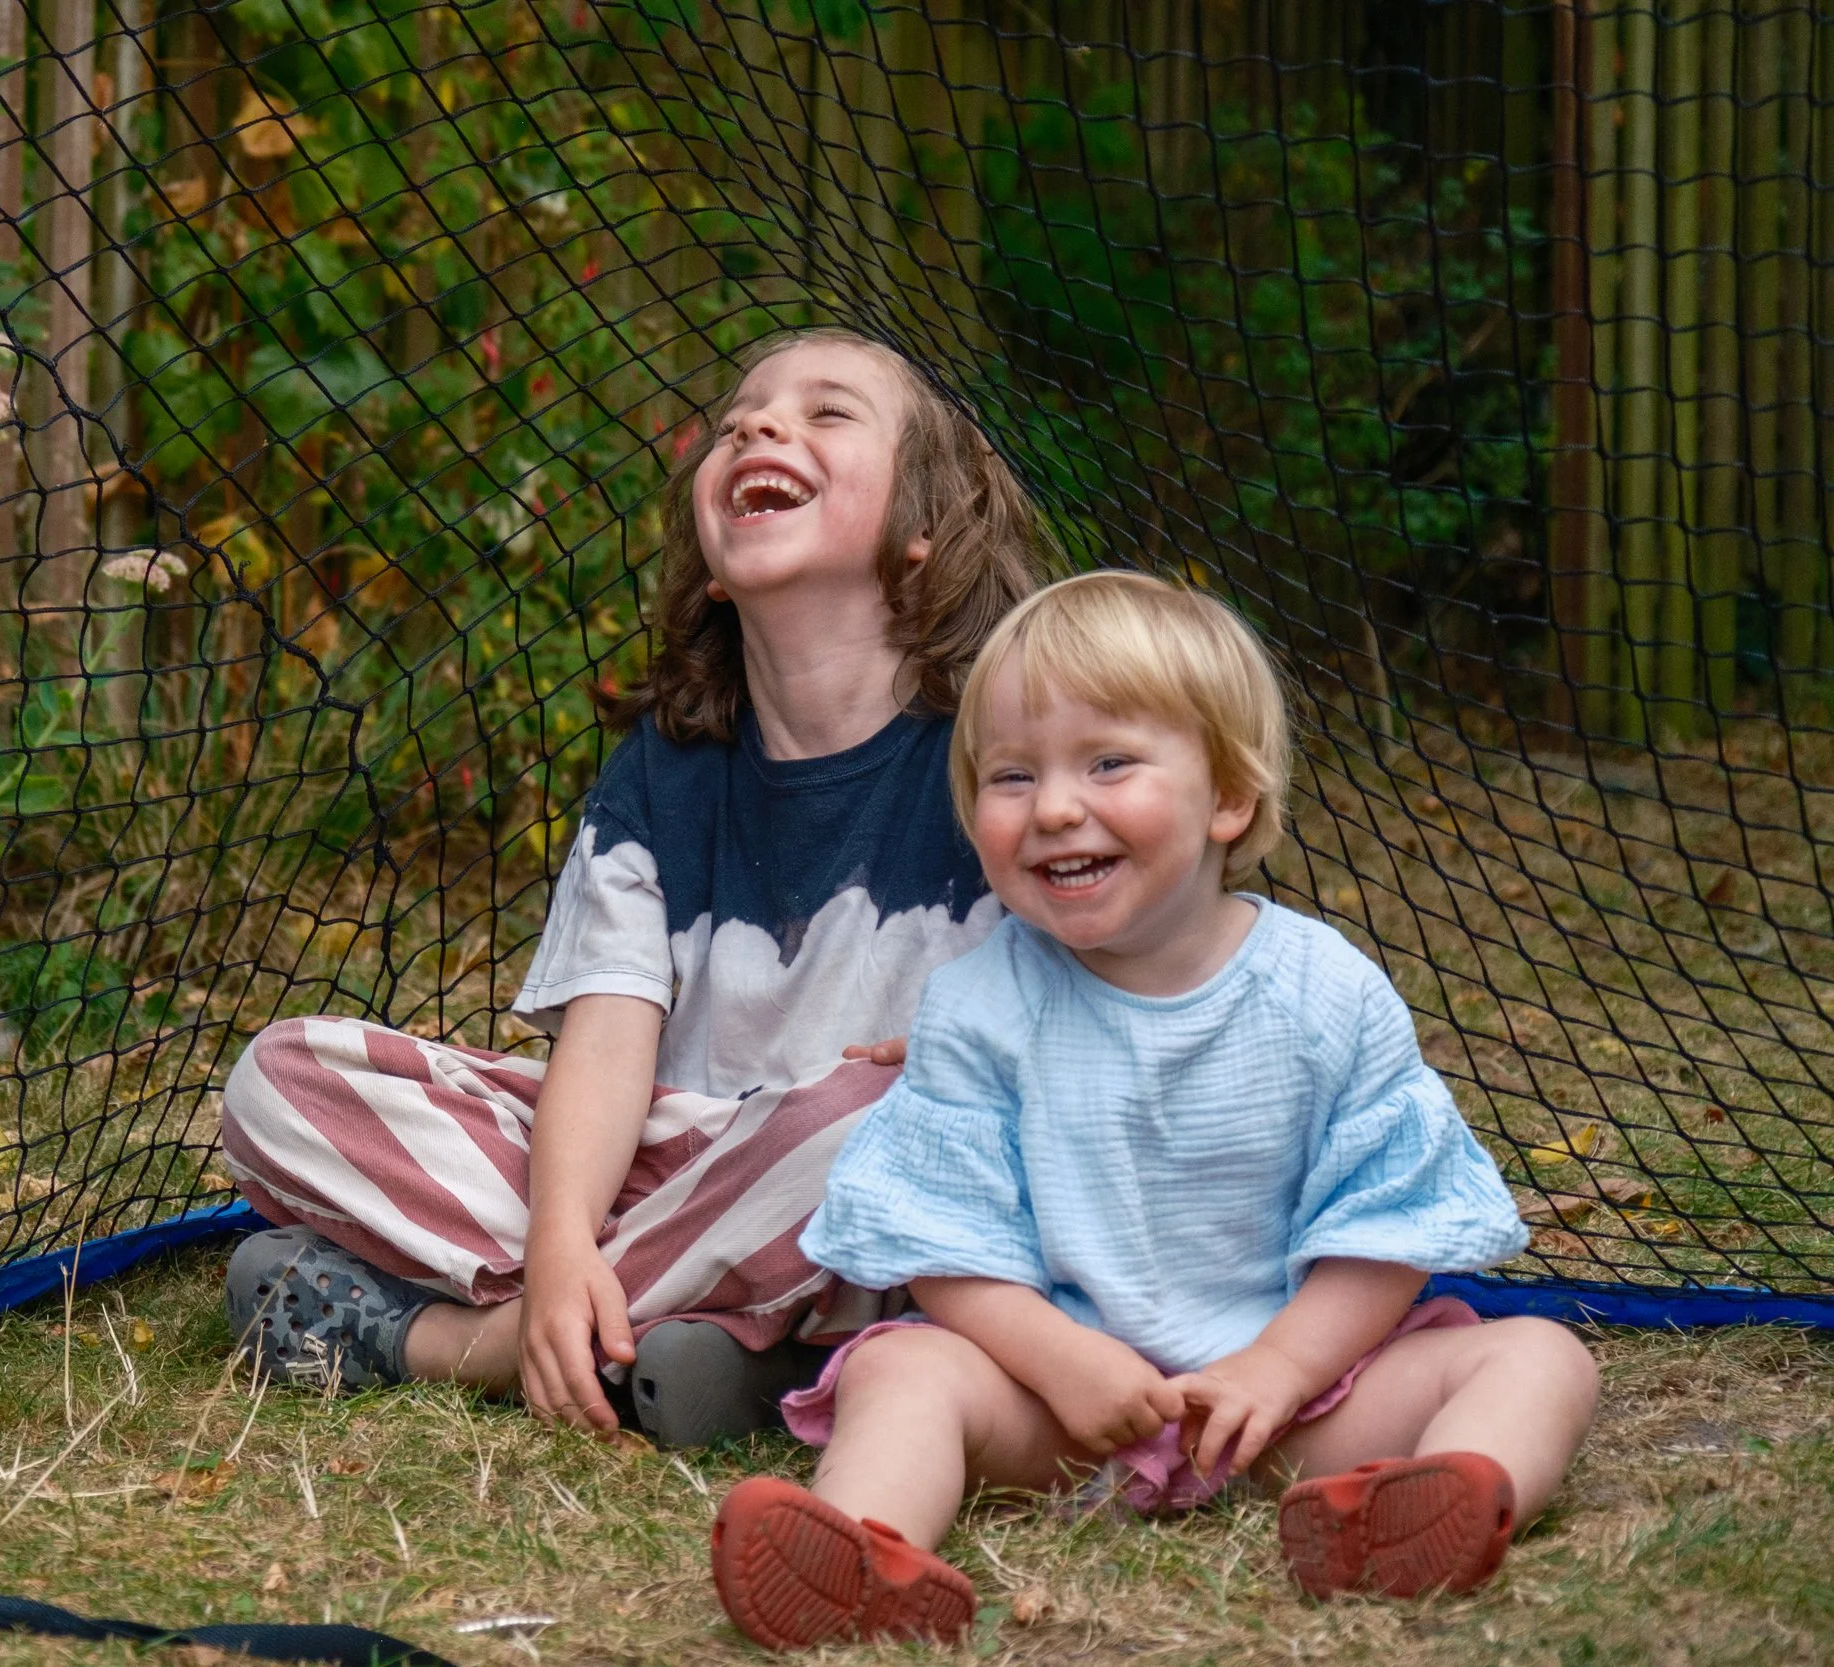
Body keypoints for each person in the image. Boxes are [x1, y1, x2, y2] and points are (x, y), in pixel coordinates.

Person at [709, 571, 1601, 1648]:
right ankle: (862, 1550)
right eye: (1009, 774)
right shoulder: (980, 1001)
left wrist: (1274, 1370)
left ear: (1228, 793)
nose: (1051, 807)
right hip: (1060, 1406)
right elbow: (935, 1235)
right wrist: (1058, 1360)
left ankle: (1407, 1511)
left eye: (1108, 762)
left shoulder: (1324, 990)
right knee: (904, 1367)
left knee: (1538, 1355)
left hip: (1295, 1406)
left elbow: (1390, 1221)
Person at [214, 328, 1047, 1446]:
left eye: (827, 411)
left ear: (926, 532)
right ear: (710, 556)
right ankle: (683, 1345)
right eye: (740, 414)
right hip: (658, 1164)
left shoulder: (1000, 753)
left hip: (866, 1194)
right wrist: (559, 1244)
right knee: (279, 1077)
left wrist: (975, 1051)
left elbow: (1074, 1018)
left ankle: (467, 1344)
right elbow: (607, 1046)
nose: (758, 423)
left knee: (890, 1122)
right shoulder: (665, 765)